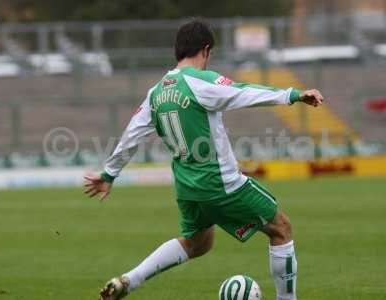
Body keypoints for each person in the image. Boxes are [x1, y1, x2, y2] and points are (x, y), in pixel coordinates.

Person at [84, 19, 323, 300]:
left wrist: (110, 173)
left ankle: (130, 280)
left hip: (188, 189)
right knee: (280, 228)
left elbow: (132, 134)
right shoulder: (201, 81)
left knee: (198, 243)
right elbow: (241, 92)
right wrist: (293, 95)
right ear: (206, 50)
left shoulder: (157, 92)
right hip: (221, 183)